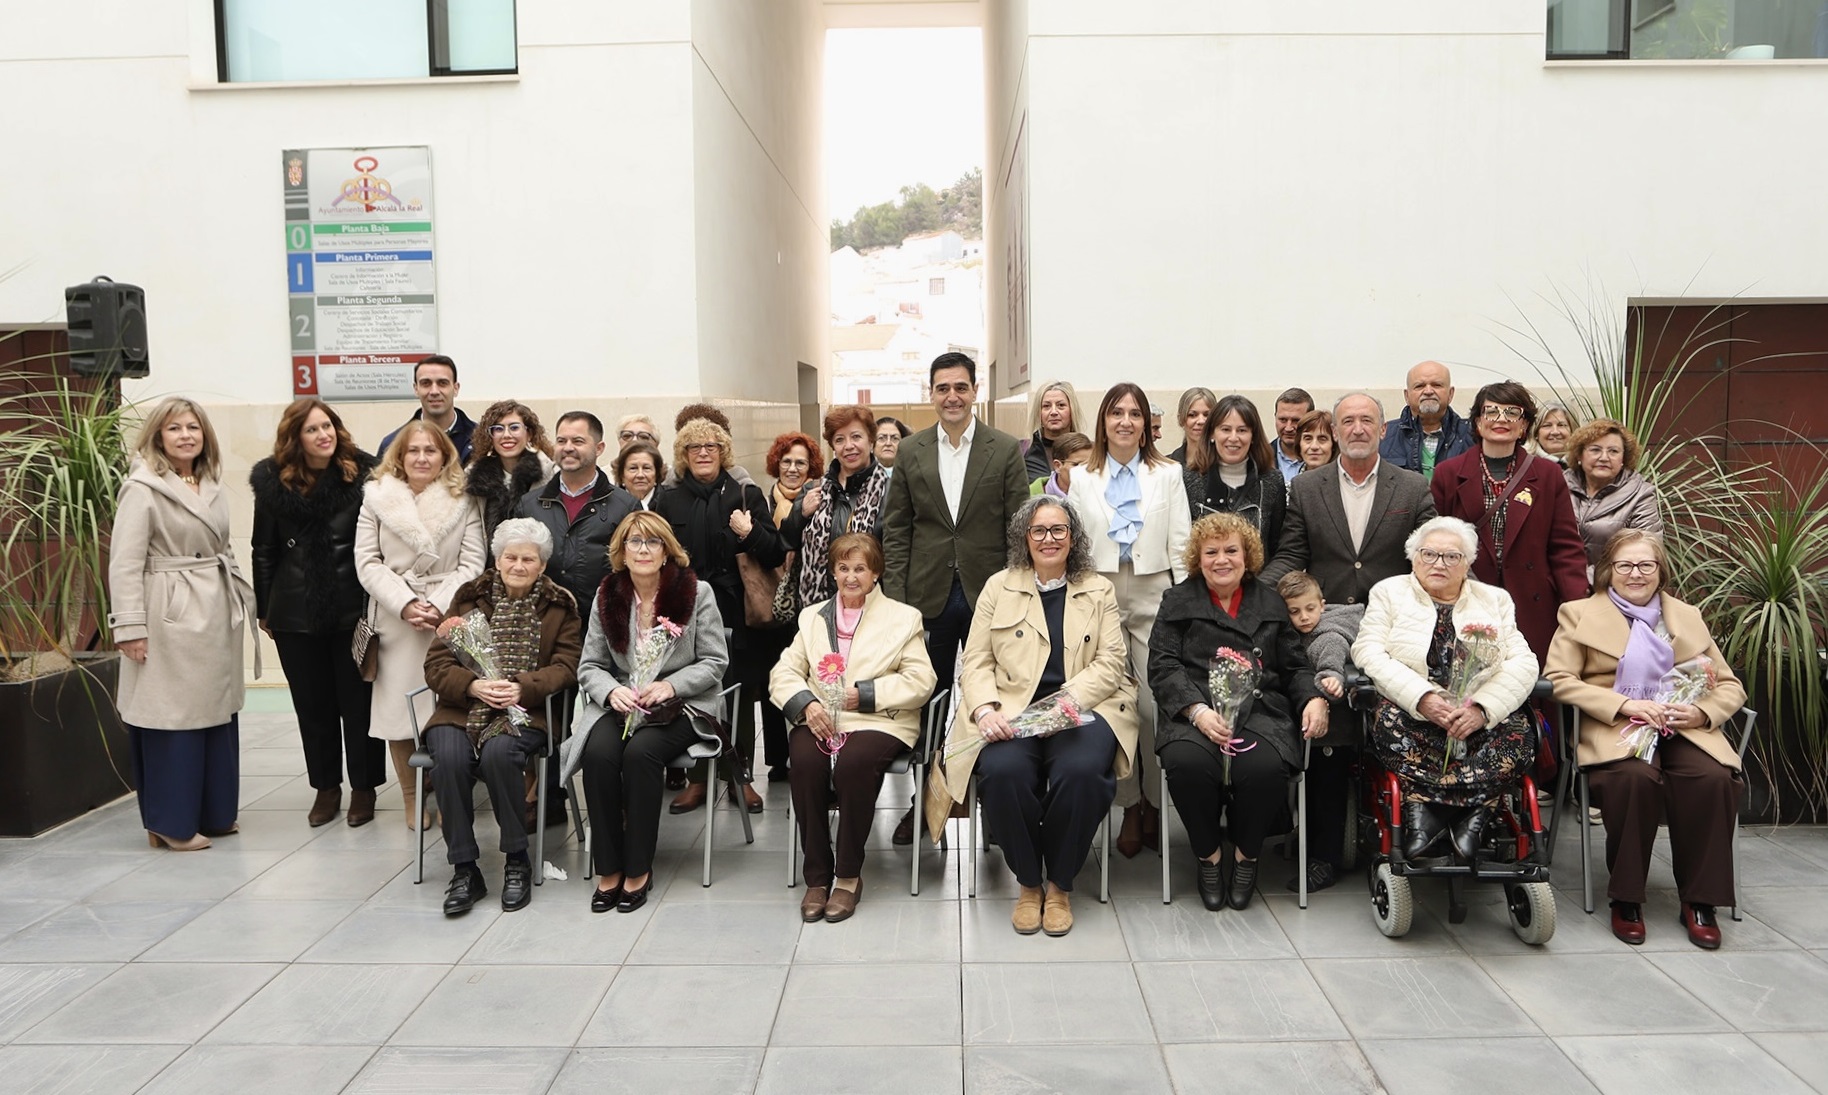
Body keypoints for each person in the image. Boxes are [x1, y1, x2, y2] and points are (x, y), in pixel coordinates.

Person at [937, 498, 1138, 935]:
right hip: (1012, 709)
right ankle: (1029, 883)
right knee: (1002, 772)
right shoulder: (998, 587)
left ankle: (1060, 883)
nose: (1049, 539)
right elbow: (975, 660)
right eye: (1039, 531)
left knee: (1082, 772)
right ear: (1024, 539)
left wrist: (1066, 702)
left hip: (1083, 708)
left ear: (1074, 537)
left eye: (1059, 530)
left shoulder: (1097, 588)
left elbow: (1110, 662)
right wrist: (984, 708)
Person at [1546, 529, 1747, 949]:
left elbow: (1729, 685)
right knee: (1634, 779)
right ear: (1607, 572)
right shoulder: (1577, 612)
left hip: (1683, 726)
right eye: (1625, 565)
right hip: (1616, 725)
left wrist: (1701, 711)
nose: (1635, 574)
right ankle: (1627, 897)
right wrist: (1623, 705)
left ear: (1660, 572)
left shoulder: (1686, 615)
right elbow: (1559, 680)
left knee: (1712, 780)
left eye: (1646, 565)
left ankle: (1700, 901)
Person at [880, 352, 1030, 842]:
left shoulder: (1004, 449)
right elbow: (897, 529)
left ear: (974, 393)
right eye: (943, 388)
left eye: (961, 387)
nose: (952, 397)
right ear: (931, 393)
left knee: (996, 698)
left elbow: (1018, 531)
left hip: (992, 596)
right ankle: (924, 805)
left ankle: (993, 804)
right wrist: (898, 603)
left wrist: (1015, 595)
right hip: (927, 598)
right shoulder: (910, 451)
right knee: (925, 701)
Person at [1150, 512, 1327, 910]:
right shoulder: (1176, 600)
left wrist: (1314, 698)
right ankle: (1209, 857)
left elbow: (1296, 666)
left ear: (1247, 556)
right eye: (1211, 552)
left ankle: (1247, 856)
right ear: (1199, 559)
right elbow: (1162, 666)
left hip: (1262, 711)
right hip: (1195, 714)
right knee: (1187, 763)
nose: (1221, 559)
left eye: (1231, 550)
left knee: (1264, 768)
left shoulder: (1271, 603)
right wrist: (1196, 710)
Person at [109, 398, 258, 851]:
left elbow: (223, 549)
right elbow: (124, 563)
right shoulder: (142, 488)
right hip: (168, 610)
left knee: (215, 713)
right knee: (171, 717)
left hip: (214, 610)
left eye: (193, 427)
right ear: (158, 436)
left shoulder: (209, 482)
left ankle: (214, 813)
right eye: (175, 428)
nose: (186, 435)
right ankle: (169, 822)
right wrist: (130, 627)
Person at [564, 512, 729, 914]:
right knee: (600, 754)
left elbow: (714, 660)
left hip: (681, 705)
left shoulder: (696, 592)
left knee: (640, 754)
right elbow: (589, 666)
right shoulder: (608, 594)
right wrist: (612, 691)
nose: (642, 550)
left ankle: (638, 868)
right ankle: (609, 868)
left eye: (652, 542)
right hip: (621, 702)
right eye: (633, 542)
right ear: (620, 551)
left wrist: (671, 685)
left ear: (667, 549)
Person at [1352, 516, 1539, 868]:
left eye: (1452, 557)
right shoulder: (1388, 592)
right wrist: (1422, 698)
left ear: (1468, 563)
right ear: (1413, 558)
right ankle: (1443, 812)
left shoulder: (1495, 600)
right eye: (1429, 554)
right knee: (1389, 721)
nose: (1439, 563)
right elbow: (1368, 652)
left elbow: (1524, 663)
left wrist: (1482, 709)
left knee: (1518, 734)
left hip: (1475, 717)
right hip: (1415, 714)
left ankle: (1463, 815)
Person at [772, 533, 937, 923]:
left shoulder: (903, 617)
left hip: (879, 719)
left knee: (852, 765)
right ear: (832, 571)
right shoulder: (812, 617)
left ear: (875, 573)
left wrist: (863, 696)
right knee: (806, 764)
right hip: (819, 718)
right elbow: (785, 671)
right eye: (843, 568)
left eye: (860, 568)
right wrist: (806, 704)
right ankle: (816, 876)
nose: (851, 577)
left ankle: (846, 876)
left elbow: (921, 680)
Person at [420, 519, 581, 916]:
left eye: (529, 559)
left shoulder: (561, 606)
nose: (519, 565)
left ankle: (516, 860)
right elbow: (436, 663)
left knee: (499, 754)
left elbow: (567, 665)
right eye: (511, 557)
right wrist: (473, 686)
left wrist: (522, 687)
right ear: (497, 559)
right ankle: (465, 869)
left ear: (543, 565)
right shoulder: (469, 597)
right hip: (460, 709)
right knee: (451, 758)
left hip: (526, 712)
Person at [1065, 381, 1191, 857]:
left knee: (1153, 705)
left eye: (1134, 414)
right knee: (1113, 706)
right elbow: (1074, 546)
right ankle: (1130, 806)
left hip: (1154, 591)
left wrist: (1182, 605)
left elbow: (1181, 540)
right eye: (1116, 413)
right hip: (1097, 593)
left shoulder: (1168, 473)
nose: (1124, 421)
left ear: (1146, 424)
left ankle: (1158, 804)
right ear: (1103, 421)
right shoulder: (1082, 477)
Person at [250, 398, 382, 828]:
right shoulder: (273, 483)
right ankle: (326, 788)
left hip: (353, 608)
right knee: (313, 705)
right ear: (295, 438)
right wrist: (265, 608)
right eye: (312, 429)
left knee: (358, 703)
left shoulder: (364, 475)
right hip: (295, 611)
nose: (323, 435)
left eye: (328, 426)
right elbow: (263, 549)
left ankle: (364, 787)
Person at [355, 422, 487, 830]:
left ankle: (449, 794)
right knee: (399, 714)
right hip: (396, 618)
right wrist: (406, 603)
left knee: (448, 711)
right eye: (413, 450)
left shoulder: (463, 499)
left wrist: (436, 605)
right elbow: (366, 561)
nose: (422, 458)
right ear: (399, 455)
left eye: (431, 450)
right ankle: (412, 799)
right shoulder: (375, 498)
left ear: (445, 455)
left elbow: (472, 563)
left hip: (447, 619)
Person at [653, 416, 786, 814]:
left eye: (711, 446)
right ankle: (698, 779)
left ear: (723, 451)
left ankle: (739, 776)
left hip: (735, 606)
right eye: (695, 447)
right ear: (684, 455)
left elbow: (775, 551)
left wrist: (749, 532)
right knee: (690, 687)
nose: (704, 453)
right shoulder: (668, 498)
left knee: (740, 691)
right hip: (684, 606)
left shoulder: (744, 492)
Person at [1431, 381, 1589, 665]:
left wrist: (1576, 604)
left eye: (1512, 412)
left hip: (1532, 601)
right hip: (1469, 599)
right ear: (1478, 422)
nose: (1501, 419)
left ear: (1524, 425)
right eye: (1491, 412)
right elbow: (1434, 543)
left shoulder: (1548, 474)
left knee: (1531, 685)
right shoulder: (1448, 474)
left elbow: (1565, 546)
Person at [1262, 394, 1435, 607]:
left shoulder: (1412, 487)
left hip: (1392, 614)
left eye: (1367, 420)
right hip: (1328, 615)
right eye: (1348, 421)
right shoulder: (1306, 487)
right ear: (1335, 432)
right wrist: (1253, 594)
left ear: (1383, 430)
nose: (1358, 429)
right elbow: (1291, 555)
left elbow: (1434, 552)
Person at [1274, 569, 1363, 891]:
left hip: (1333, 735)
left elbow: (1331, 665)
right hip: (1310, 731)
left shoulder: (1328, 635)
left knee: (1327, 795)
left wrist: (1330, 681)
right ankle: (1307, 845)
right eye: (1294, 611)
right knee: (1310, 791)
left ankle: (1325, 861)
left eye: (1310, 609)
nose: (1303, 617)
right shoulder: (1291, 635)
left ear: (1322, 605)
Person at [518, 411, 637, 626]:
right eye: (561, 441)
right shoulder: (529, 504)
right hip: (543, 624)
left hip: (605, 624)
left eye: (578, 441)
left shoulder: (625, 506)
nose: (568, 447)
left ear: (599, 448)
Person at [758, 430, 823, 781]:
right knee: (776, 676)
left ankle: (811, 751)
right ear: (776, 464)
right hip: (771, 601)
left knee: (810, 677)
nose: (793, 469)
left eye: (801, 462)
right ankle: (778, 759)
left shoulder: (819, 497)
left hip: (808, 602)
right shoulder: (761, 500)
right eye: (787, 462)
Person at [784, 406, 892, 608]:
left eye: (856, 437)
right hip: (817, 609)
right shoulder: (813, 489)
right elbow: (785, 542)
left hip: (872, 610)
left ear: (871, 440)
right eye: (840, 439)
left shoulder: (891, 492)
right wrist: (801, 513)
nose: (848, 446)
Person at [1564, 418, 1664, 581]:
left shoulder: (1641, 494)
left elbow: (1645, 553)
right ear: (1579, 455)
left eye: (1613, 451)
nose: (1604, 457)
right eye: (1595, 450)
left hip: (1614, 591)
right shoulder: (1557, 486)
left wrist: (1585, 579)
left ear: (1624, 458)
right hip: (1558, 588)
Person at [1197, 394, 1286, 559]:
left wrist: (1262, 584)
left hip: (1259, 581)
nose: (1233, 438)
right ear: (1211, 434)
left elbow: (1277, 547)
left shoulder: (1272, 482)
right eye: (1225, 429)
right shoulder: (1189, 479)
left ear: (1253, 436)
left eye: (1242, 430)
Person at [465, 399, 557, 543]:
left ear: (529, 433)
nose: (506, 435)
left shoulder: (550, 473)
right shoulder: (473, 477)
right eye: (498, 429)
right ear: (490, 436)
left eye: (514, 428)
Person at [1381, 360, 1474, 479]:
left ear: (1450, 394)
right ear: (1407, 395)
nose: (1428, 391)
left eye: (1437, 385)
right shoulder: (1384, 436)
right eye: (1419, 386)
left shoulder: (1472, 435)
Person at [378, 355, 477, 464]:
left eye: (442, 383)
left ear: (456, 388)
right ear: (416, 389)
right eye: (426, 383)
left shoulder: (481, 440)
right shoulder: (392, 445)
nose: (434, 391)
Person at [1168, 386, 1219, 513]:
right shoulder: (1167, 466)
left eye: (1207, 415)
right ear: (1181, 419)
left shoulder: (1227, 466)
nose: (1201, 421)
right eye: (1192, 415)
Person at [1022, 380, 1082, 483]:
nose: (1053, 412)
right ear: (1039, 413)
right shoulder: (1023, 453)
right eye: (1046, 406)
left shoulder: (1086, 452)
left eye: (1061, 405)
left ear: (1072, 410)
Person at [1273, 387, 1315, 483]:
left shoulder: (1324, 459)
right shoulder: (1261, 458)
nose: (1288, 428)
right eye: (1283, 420)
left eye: (1296, 421)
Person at [1030, 431, 1090, 497]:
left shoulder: (1098, 495)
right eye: (1076, 465)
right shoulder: (1027, 496)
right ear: (1057, 466)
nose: (1085, 469)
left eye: (1089, 464)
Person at [615, 441, 665, 510]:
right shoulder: (610, 504)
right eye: (633, 468)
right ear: (621, 475)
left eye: (646, 468)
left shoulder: (671, 503)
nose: (640, 475)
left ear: (657, 473)